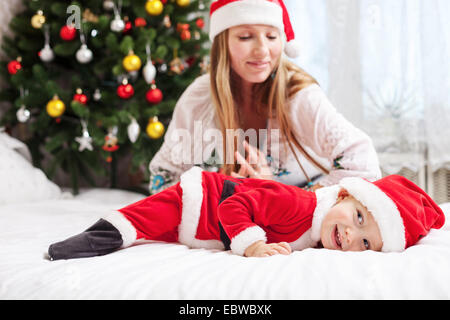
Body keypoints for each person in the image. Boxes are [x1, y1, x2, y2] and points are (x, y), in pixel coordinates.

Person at [148, 0, 382, 195]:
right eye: (246, 37)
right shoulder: (199, 99)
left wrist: (283, 195)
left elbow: (363, 162)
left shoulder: (299, 95)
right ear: (223, 44)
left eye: (271, 36)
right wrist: (214, 190)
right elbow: (162, 177)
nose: (262, 50)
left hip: (300, 210)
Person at [47, 166, 445, 260]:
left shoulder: (319, 235)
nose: (351, 237)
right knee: (134, 224)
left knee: (149, 229)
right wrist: (252, 245)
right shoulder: (301, 204)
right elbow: (233, 205)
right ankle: (86, 240)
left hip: (204, 224)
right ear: (341, 195)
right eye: (358, 218)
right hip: (199, 201)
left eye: (366, 243)